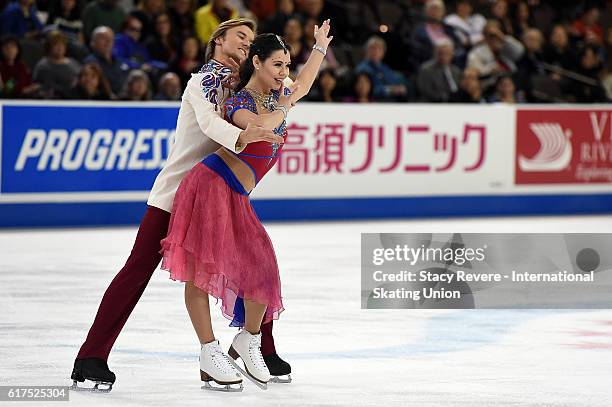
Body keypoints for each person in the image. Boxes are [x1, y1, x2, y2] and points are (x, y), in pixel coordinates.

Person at [70, 18, 285, 392]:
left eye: (251, 41)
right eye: (240, 37)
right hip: (175, 196)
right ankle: (91, 355)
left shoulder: (239, 86)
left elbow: (279, 97)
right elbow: (208, 123)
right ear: (218, 39)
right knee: (138, 270)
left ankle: (261, 349)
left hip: (215, 196)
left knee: (254, 261)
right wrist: (243, 134)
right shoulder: (203, 80)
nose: (246, 44)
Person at [159, 21, 333, 391]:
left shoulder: (277, 96)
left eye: (287, 66)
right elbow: (257, 126)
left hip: (236, 193)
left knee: (262, 267)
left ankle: (248, 339)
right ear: (257, 63)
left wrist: (318, 49)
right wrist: (286, 105)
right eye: (277, 66)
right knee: (199, 268)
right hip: (211, 185)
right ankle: (208, 349)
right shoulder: (241, 101)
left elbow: (301, 86)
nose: (285, 74)